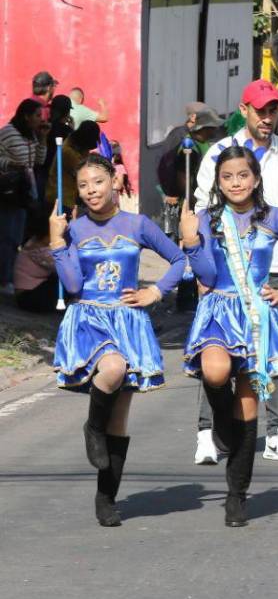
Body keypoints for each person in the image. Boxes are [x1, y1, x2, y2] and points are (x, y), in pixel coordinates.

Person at [181, 146, 278, 526]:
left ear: (255, 178)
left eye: (242, 175)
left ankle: (236, 495)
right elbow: (208, 277)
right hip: (218, 311)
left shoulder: (274, 217)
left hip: (257, 316)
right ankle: (221, 428)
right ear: (218, 182)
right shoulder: (208, 219)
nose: (235, 183)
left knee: (247, 404)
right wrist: (192, 244)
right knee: (213, 371)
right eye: (227, 177)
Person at [51, 153, 186, 526]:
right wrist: (56, 243)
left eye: (97, 181)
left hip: (128, 321)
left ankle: (105, 497)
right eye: (83, 185)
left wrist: (155, 293)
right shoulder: (74, 229)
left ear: (114, 181)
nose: (91, 190)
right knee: (112, 368)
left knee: (120, 419)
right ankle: (91, 427)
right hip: (90, 319)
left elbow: (178, 260)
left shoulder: (138, 223)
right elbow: (74, 285)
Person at [194, 80, 278, 463]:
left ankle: (277, 432)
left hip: (272, 272)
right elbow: (201, 210)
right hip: (223, 275)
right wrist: (201, 273)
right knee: (214, 356)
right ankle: (206, 432)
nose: (267, 118)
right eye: (260, 110)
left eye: (274, 111)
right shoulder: (220, 153)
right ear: (244, 109)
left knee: (271, 355)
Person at [0, 99, 49, 294]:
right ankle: (4, 279)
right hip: (8, 190)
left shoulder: (31, 136)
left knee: (17, 236)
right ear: (26, 116)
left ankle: (9, 274)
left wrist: (43, 138)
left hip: (25, 190)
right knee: (7, 235)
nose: (40, 119)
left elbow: (39, 160)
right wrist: (11, 165)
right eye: (37, 116)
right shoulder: (8, 133)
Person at [15, 209, 57, 312]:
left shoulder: (33, 242)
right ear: (45, 235)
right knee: (66, 277)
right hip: (29, 297)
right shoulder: (40, 251)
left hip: (25, 294)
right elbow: (62, 266)